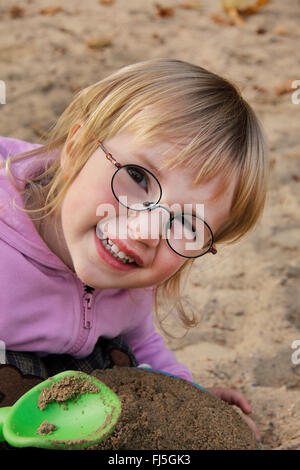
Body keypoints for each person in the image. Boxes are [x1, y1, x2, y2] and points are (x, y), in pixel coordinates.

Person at [0, 58, 268, 441]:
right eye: (138, 177)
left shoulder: (131, 265)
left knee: (118, 360)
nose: (146, 231)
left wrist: (187, 399)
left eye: (188, 224)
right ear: (76, 147)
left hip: (67, 365)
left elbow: (142, 338)